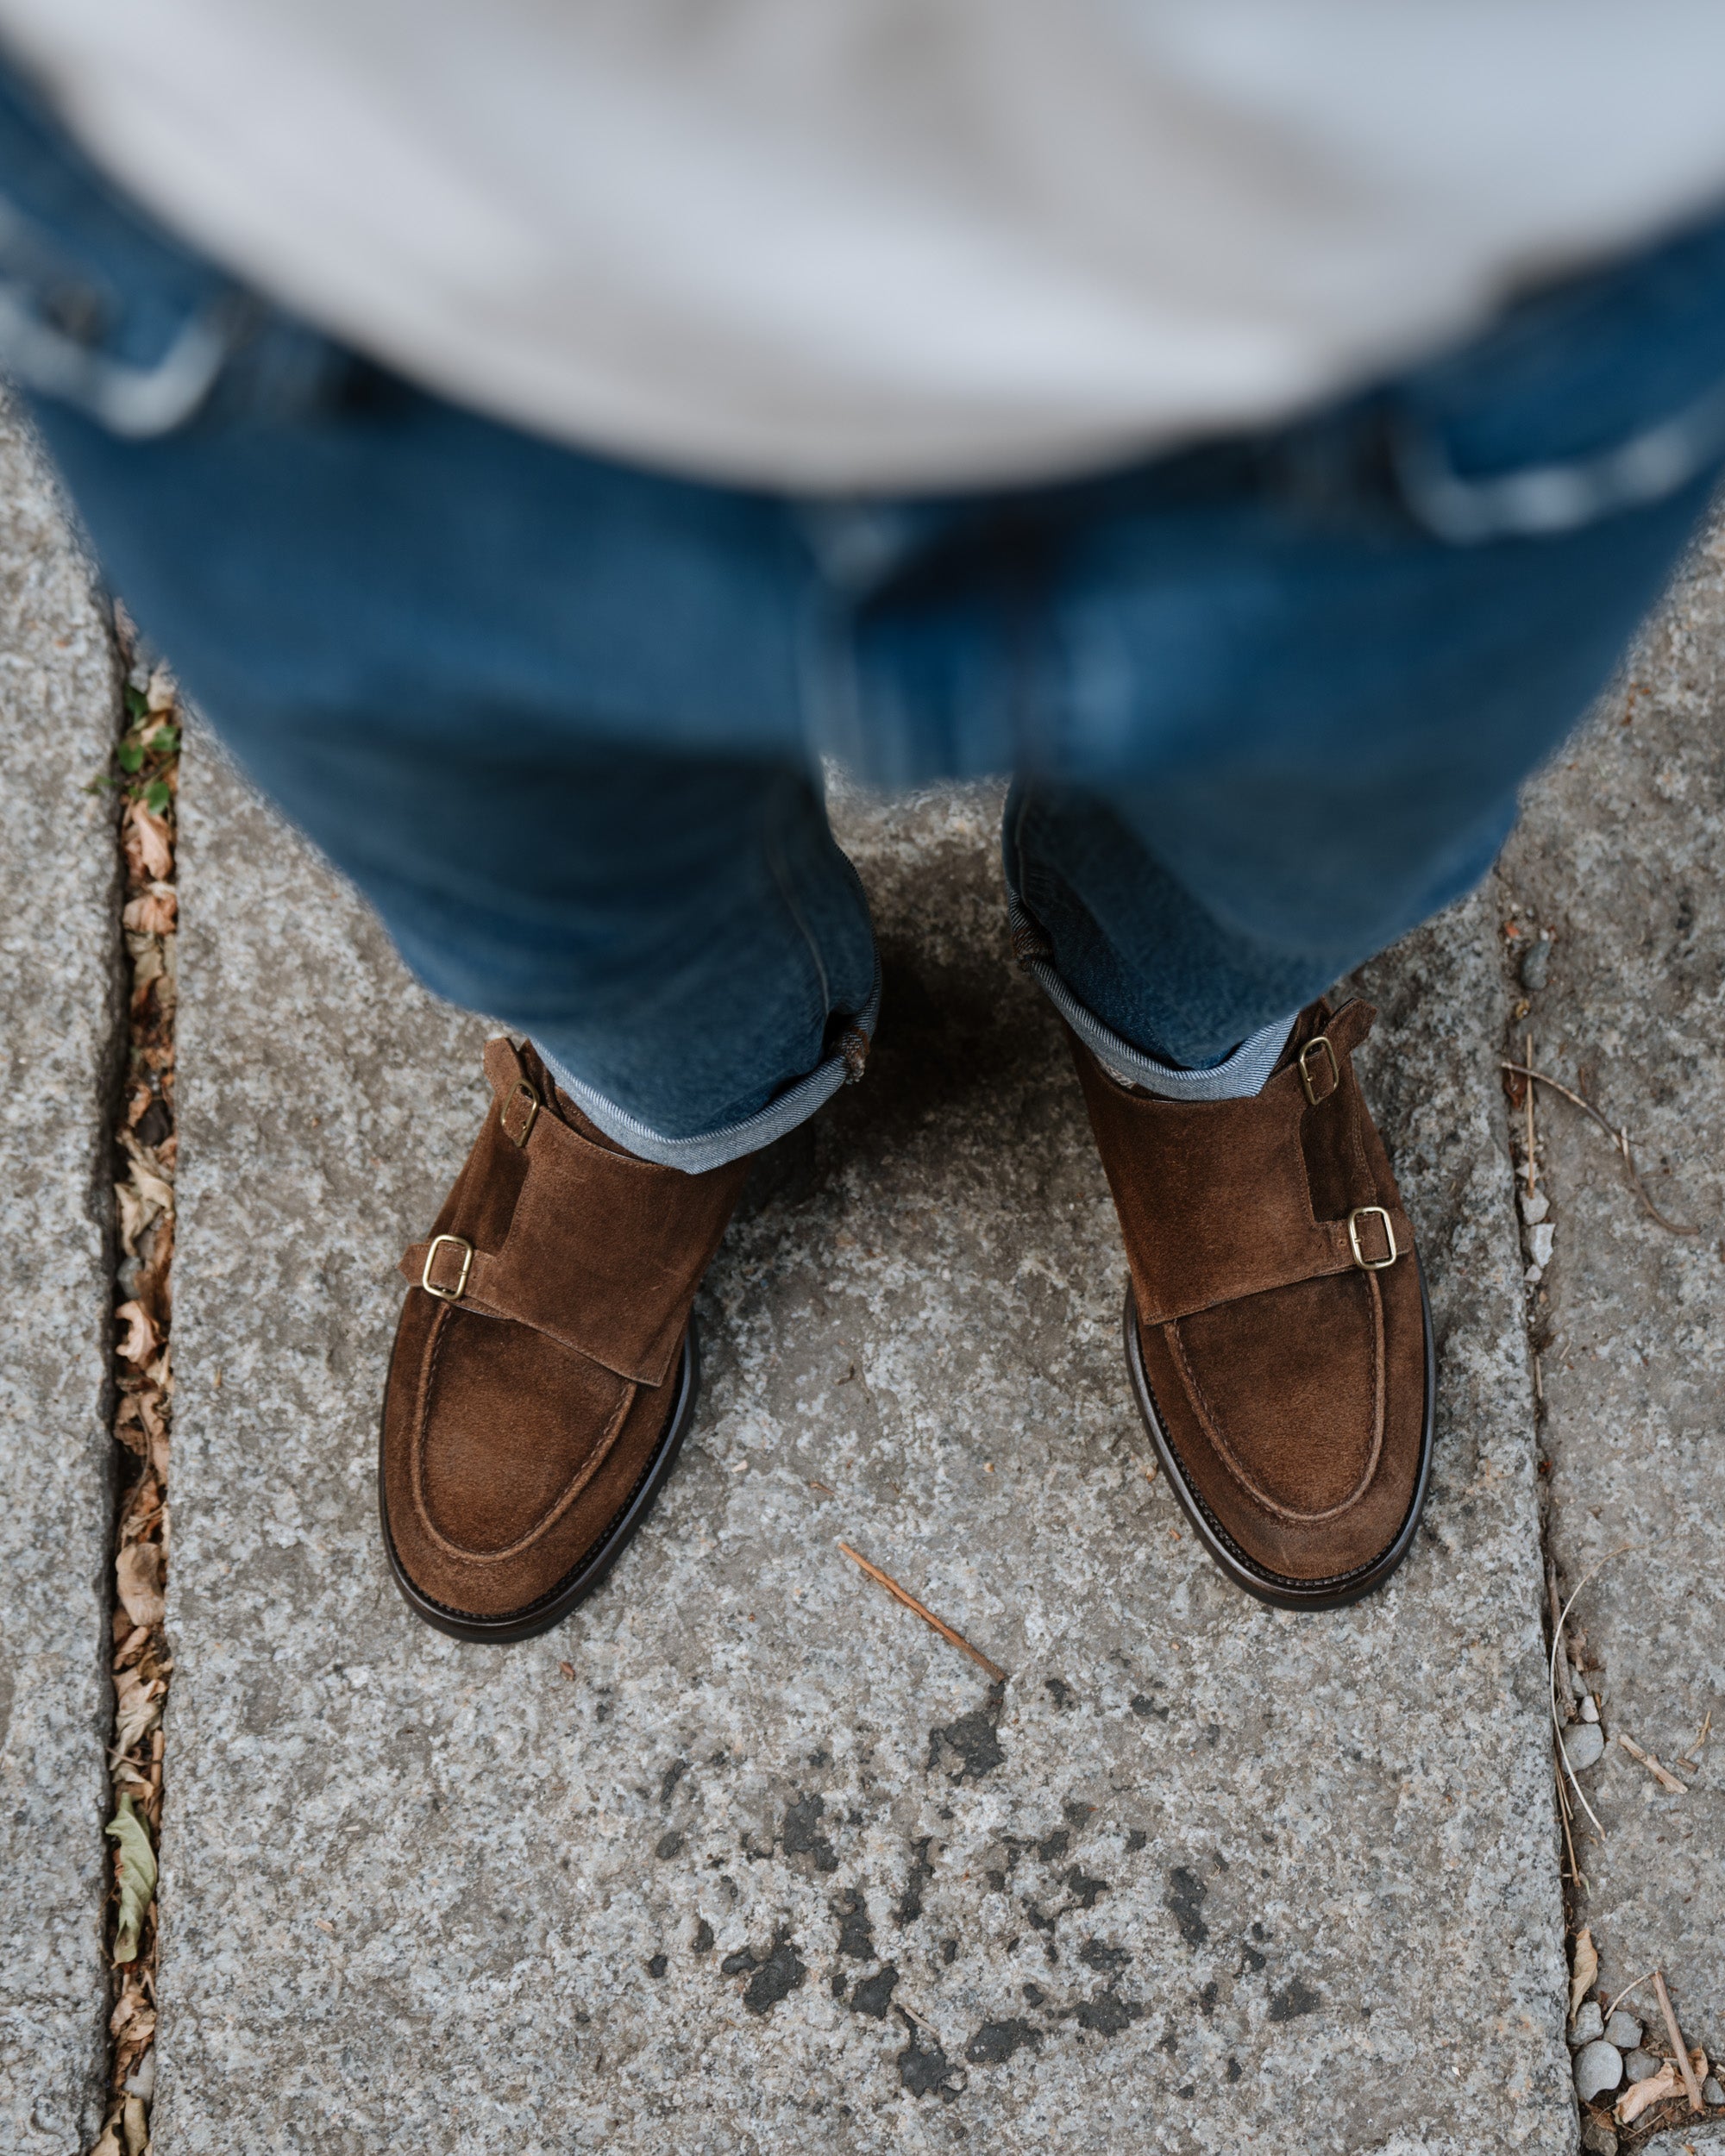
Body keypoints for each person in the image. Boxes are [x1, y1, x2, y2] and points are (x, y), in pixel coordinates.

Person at [4, 5, 1724, 1639]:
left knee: (1301, 850)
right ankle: (669, 1093)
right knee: (542, 890)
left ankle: (1189, 1041)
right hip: (326, 233)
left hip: (1443, 275)